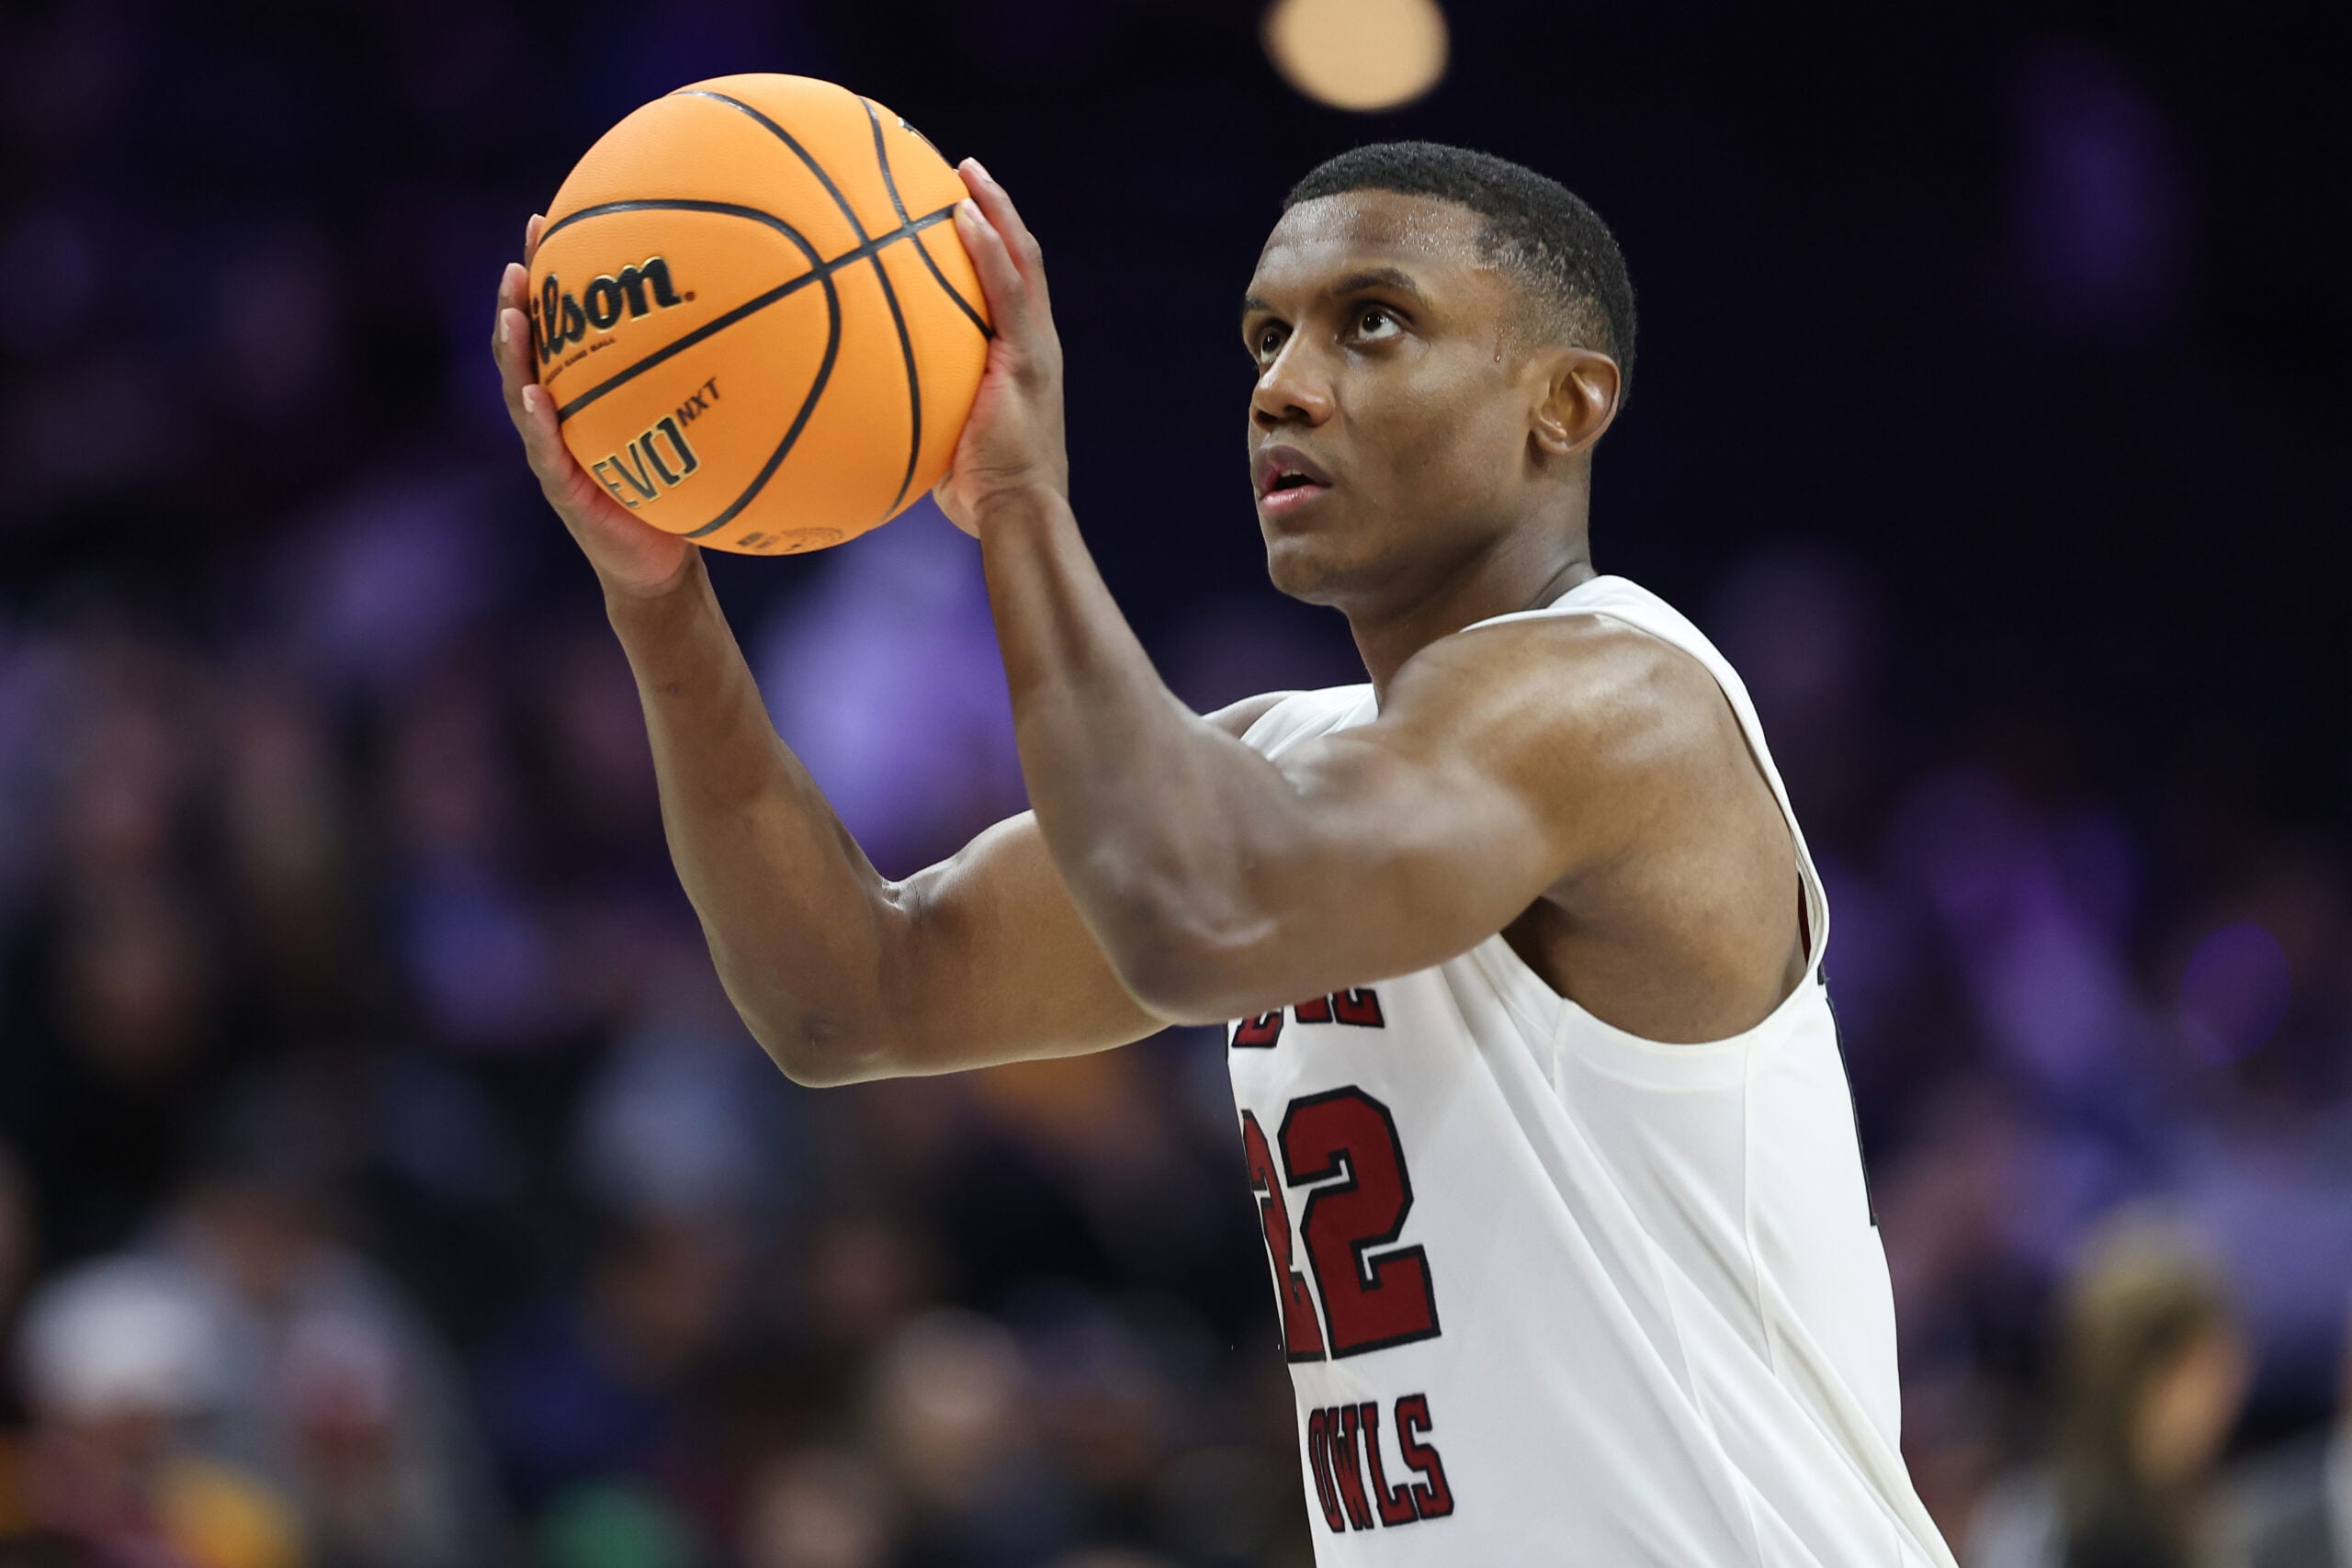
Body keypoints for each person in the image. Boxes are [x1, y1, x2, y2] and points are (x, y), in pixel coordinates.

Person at [491, 139, 1957, 1564]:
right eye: (1266, 336)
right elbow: (853, 997)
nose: (1285, 386)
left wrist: (1016, 508)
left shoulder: (1621, 706)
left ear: (1564, 403)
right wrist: (661, 598)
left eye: (1370, 324)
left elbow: (1197, 912)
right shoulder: (1278, 767)